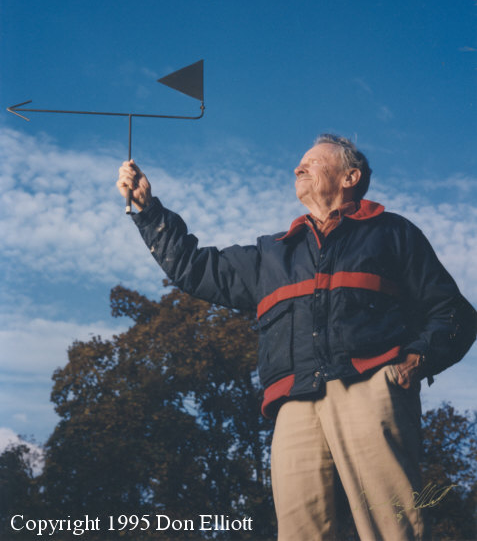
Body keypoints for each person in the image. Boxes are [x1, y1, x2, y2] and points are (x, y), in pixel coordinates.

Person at [117, 134, 475, 541]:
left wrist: (413, 363)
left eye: (311, 162)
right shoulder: (274, 253)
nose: (297, 168)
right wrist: (148, 210)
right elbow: (194, 268)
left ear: (349, 176)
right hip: (294, 404)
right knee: (299, 534)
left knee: (393, 529)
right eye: (299, 163)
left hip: (371, 387)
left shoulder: (393, 233)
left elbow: (453, 313)